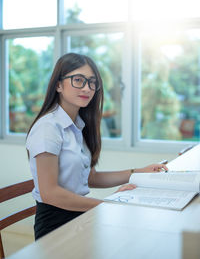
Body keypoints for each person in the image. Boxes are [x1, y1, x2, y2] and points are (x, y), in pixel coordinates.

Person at [26, 52, 168, 240]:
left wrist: (139, 172)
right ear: (58, 85)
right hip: (56, 224)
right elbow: (50, 193)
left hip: (82, 214)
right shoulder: (48, 128)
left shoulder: (78, 125)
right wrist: (106, 205)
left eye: (92, 82)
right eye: (78, 80)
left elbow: (91, 178)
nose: (87, 88)